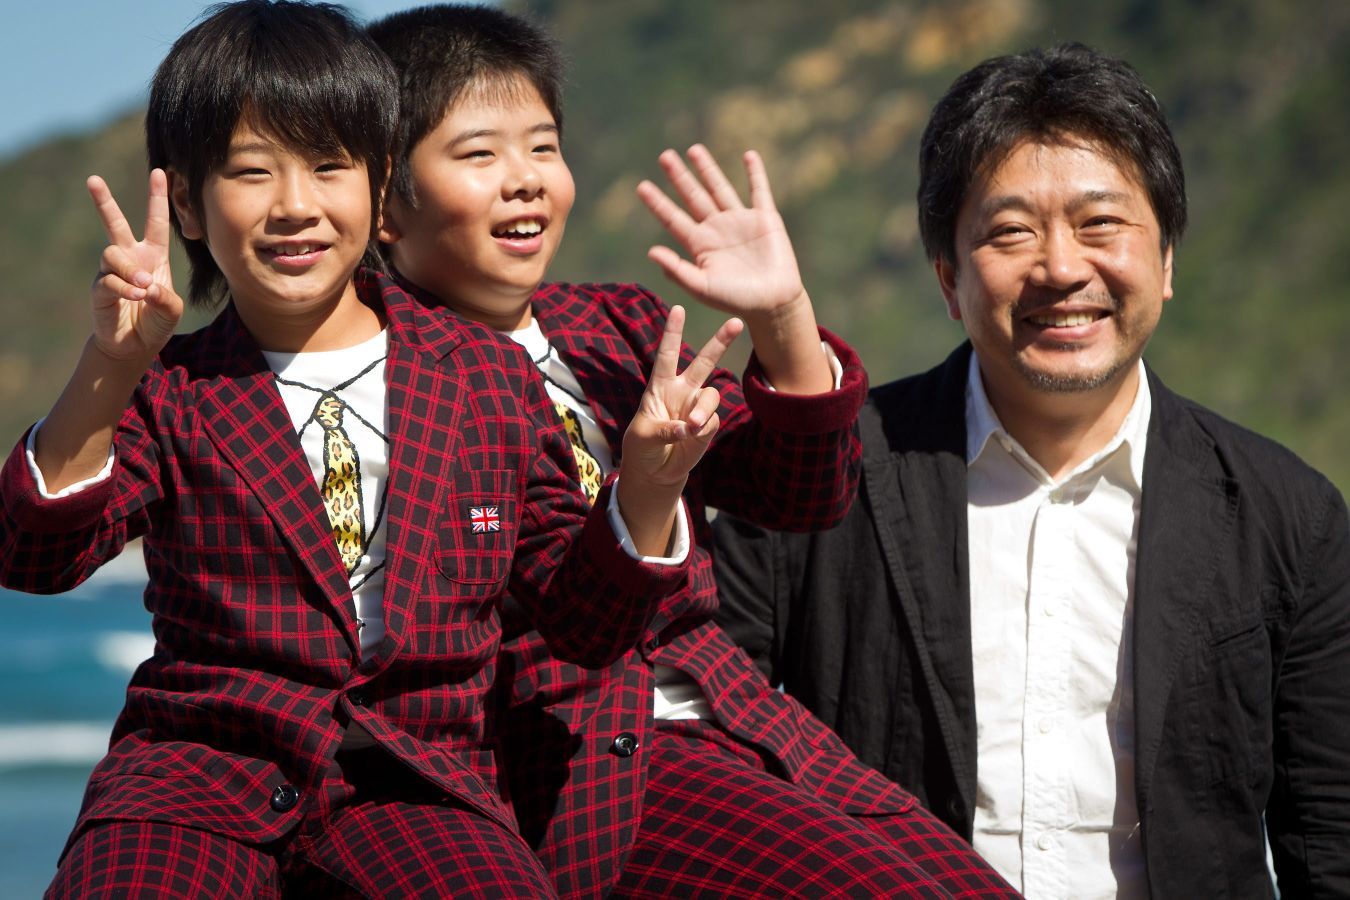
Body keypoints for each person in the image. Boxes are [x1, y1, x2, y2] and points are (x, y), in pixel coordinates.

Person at [0, 2, 736, 896]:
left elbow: (577, 624)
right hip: (192, 784)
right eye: (250, 172)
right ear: (187, 201)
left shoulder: (485, 375)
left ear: (379, 184)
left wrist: (648, 492)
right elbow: (35, 555)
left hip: (422, 784)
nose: (295, 206)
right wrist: (113, 362)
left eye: (329, 166)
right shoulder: (171, 389)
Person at [367, 5, 1017, 899]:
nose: (524, 180)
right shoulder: (395, 374)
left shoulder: (614, 328)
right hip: (597, 759)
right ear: (384, 207)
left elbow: (805, 494)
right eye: (479, 154)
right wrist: (640, 494)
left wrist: (780, 316)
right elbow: (569, 623)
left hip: (745, 721)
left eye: (544, 148)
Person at [711, 41, 1350, 899]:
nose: (1059, 267)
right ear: (948, 279)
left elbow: (1328, 832)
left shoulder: (1288, 516)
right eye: (1011, 231)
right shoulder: (817, 481)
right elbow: (705, 746)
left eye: (1100, 224)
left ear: (1165, 264)